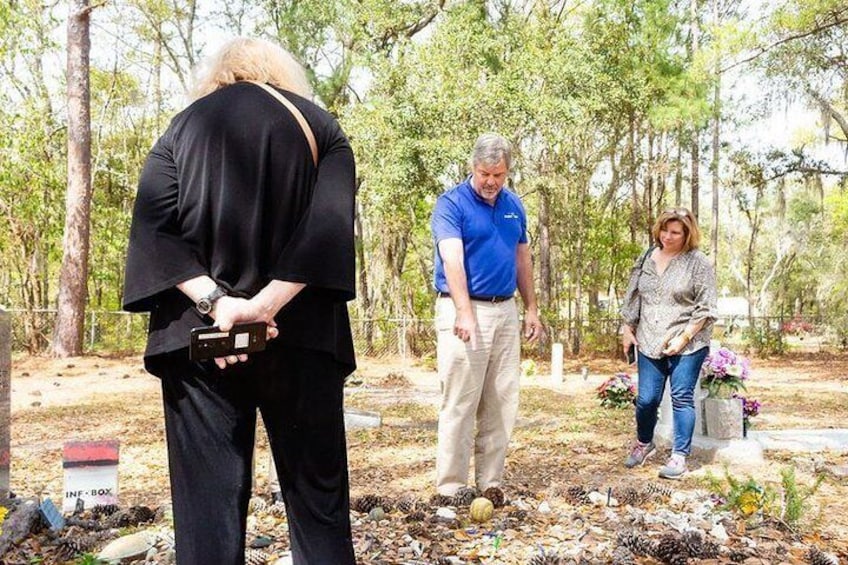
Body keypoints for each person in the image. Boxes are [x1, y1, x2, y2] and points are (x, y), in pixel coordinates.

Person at [122, 38, 357, 564]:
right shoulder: (322, 128)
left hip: (204, 342)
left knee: (206, 512)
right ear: (282, 73)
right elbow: (329, 226)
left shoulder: (179, 129)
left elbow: (153, 233)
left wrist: (218, 304)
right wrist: (265, 305)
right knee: (317, 506)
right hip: (303, 340)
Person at [430, 133, 545, 496]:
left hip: (505, 309)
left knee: (501, 401)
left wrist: (531, 308)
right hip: (463, 308)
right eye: (485, 174)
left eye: (499, 175)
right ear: (472, 168)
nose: (491, 182)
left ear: (508, 172)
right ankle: (451, 487)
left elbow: (521, 257)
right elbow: (452, 259)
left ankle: (490, 483)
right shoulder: (451, 204)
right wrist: (464, 312)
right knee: (461, 401)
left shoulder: (514, 205)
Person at [620, 207, 717, 480]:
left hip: (688, 342)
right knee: (647, 399)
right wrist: (627, 328)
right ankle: (644, 442)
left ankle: (679, 456)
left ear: (688, 234)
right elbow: (633, 296)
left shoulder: (698, 262)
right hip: (650, 339)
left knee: (682, 397)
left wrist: (684, 336)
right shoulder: (647, 257)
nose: (668, 236)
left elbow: (706, 307)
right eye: (665, 230)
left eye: (676, 232)